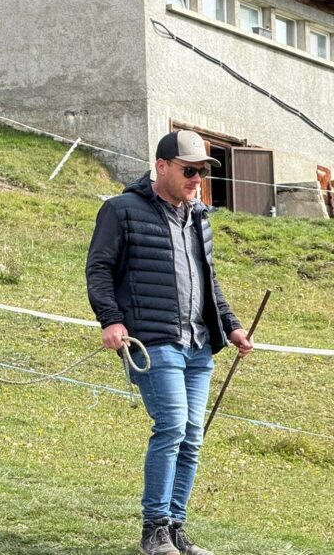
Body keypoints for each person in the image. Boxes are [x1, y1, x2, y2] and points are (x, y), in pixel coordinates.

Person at [85, 130, 253, 555]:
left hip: (199, 345)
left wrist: (231, 326)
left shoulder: (199, 217)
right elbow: (99, 269)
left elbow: (208, 280)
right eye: (189, 170)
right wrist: (110, 320)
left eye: (202, 172)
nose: (198, 179)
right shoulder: (121, 210)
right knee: (173, 426)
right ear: (162, 166)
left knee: (192, 435)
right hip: (153, 341)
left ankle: (175, 528)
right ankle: (154, 529)